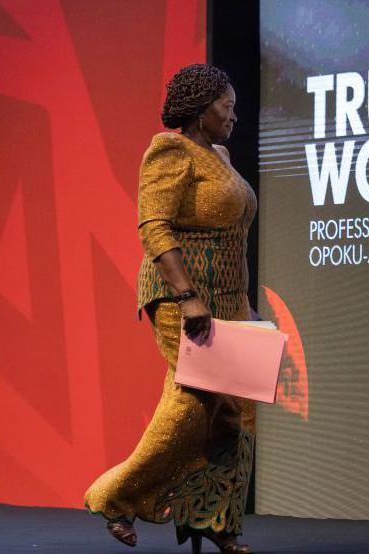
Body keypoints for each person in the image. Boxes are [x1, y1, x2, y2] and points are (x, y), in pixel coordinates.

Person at [84, 64, 255, 553]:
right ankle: (113, 495)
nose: (234, 115)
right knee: (194, 399)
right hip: (183, 294)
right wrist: (187, 296)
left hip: (228, 298)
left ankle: (215, 519)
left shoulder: (219, 155)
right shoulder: (169, 150)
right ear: (203, 109)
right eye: (228, 105)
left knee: (235, 413)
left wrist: (241, 304)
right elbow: (154, 228)